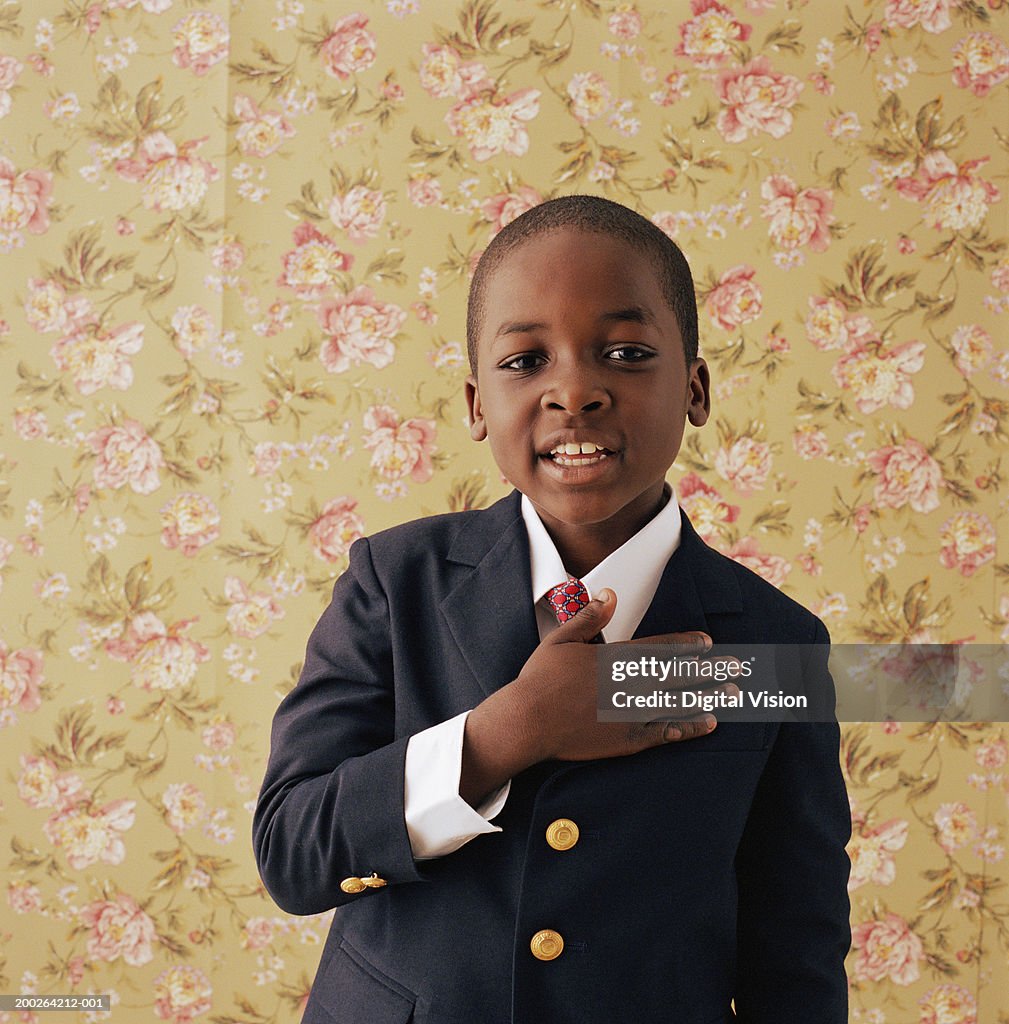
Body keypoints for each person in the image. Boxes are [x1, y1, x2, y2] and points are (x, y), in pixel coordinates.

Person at [253, 194, 851, 1024]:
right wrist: (510, 730)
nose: (575, 390)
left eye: (626, 351)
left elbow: (795, 944)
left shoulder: (774, 643)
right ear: (473, 406)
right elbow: (291, 852)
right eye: (524, 361)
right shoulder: (394, 582)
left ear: (695, 387)